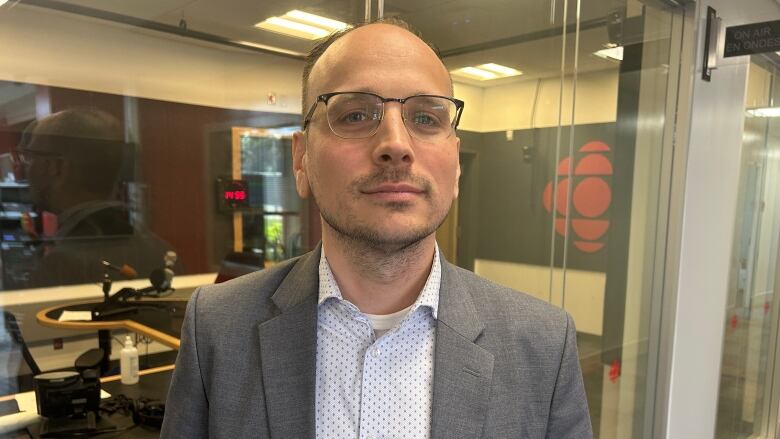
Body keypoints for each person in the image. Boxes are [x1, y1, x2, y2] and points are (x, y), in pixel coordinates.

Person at [161, 19, 592, 438]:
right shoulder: (217, 329)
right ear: (301, 159)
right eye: (354, 115)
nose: (396, 145)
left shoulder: (543, 346)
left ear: (456, 165)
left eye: (425, 118)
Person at [16, 108, 173, 288]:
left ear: (54, 167)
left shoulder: (61, 267)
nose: (23, 169)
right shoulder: (161, 251)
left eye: (28, 157)